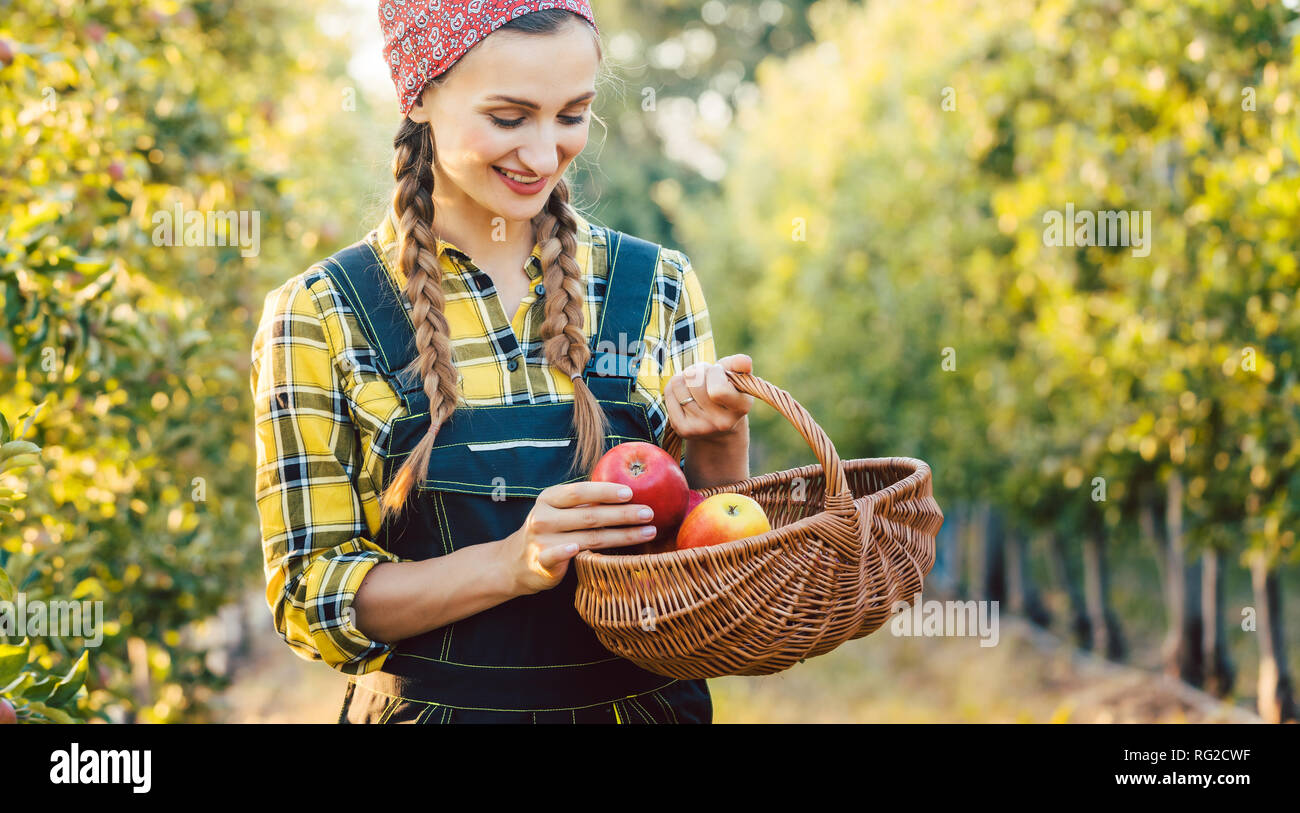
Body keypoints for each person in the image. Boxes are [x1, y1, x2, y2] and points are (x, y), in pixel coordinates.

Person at [249, 0, 754, 724]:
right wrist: (513, 562)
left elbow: (710, 562)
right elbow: (312, 596)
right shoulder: (321, 313)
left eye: (572, 115)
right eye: (510, 119)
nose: (544, 156)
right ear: (419, 94)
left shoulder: (656, 284)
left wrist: (720, 441)